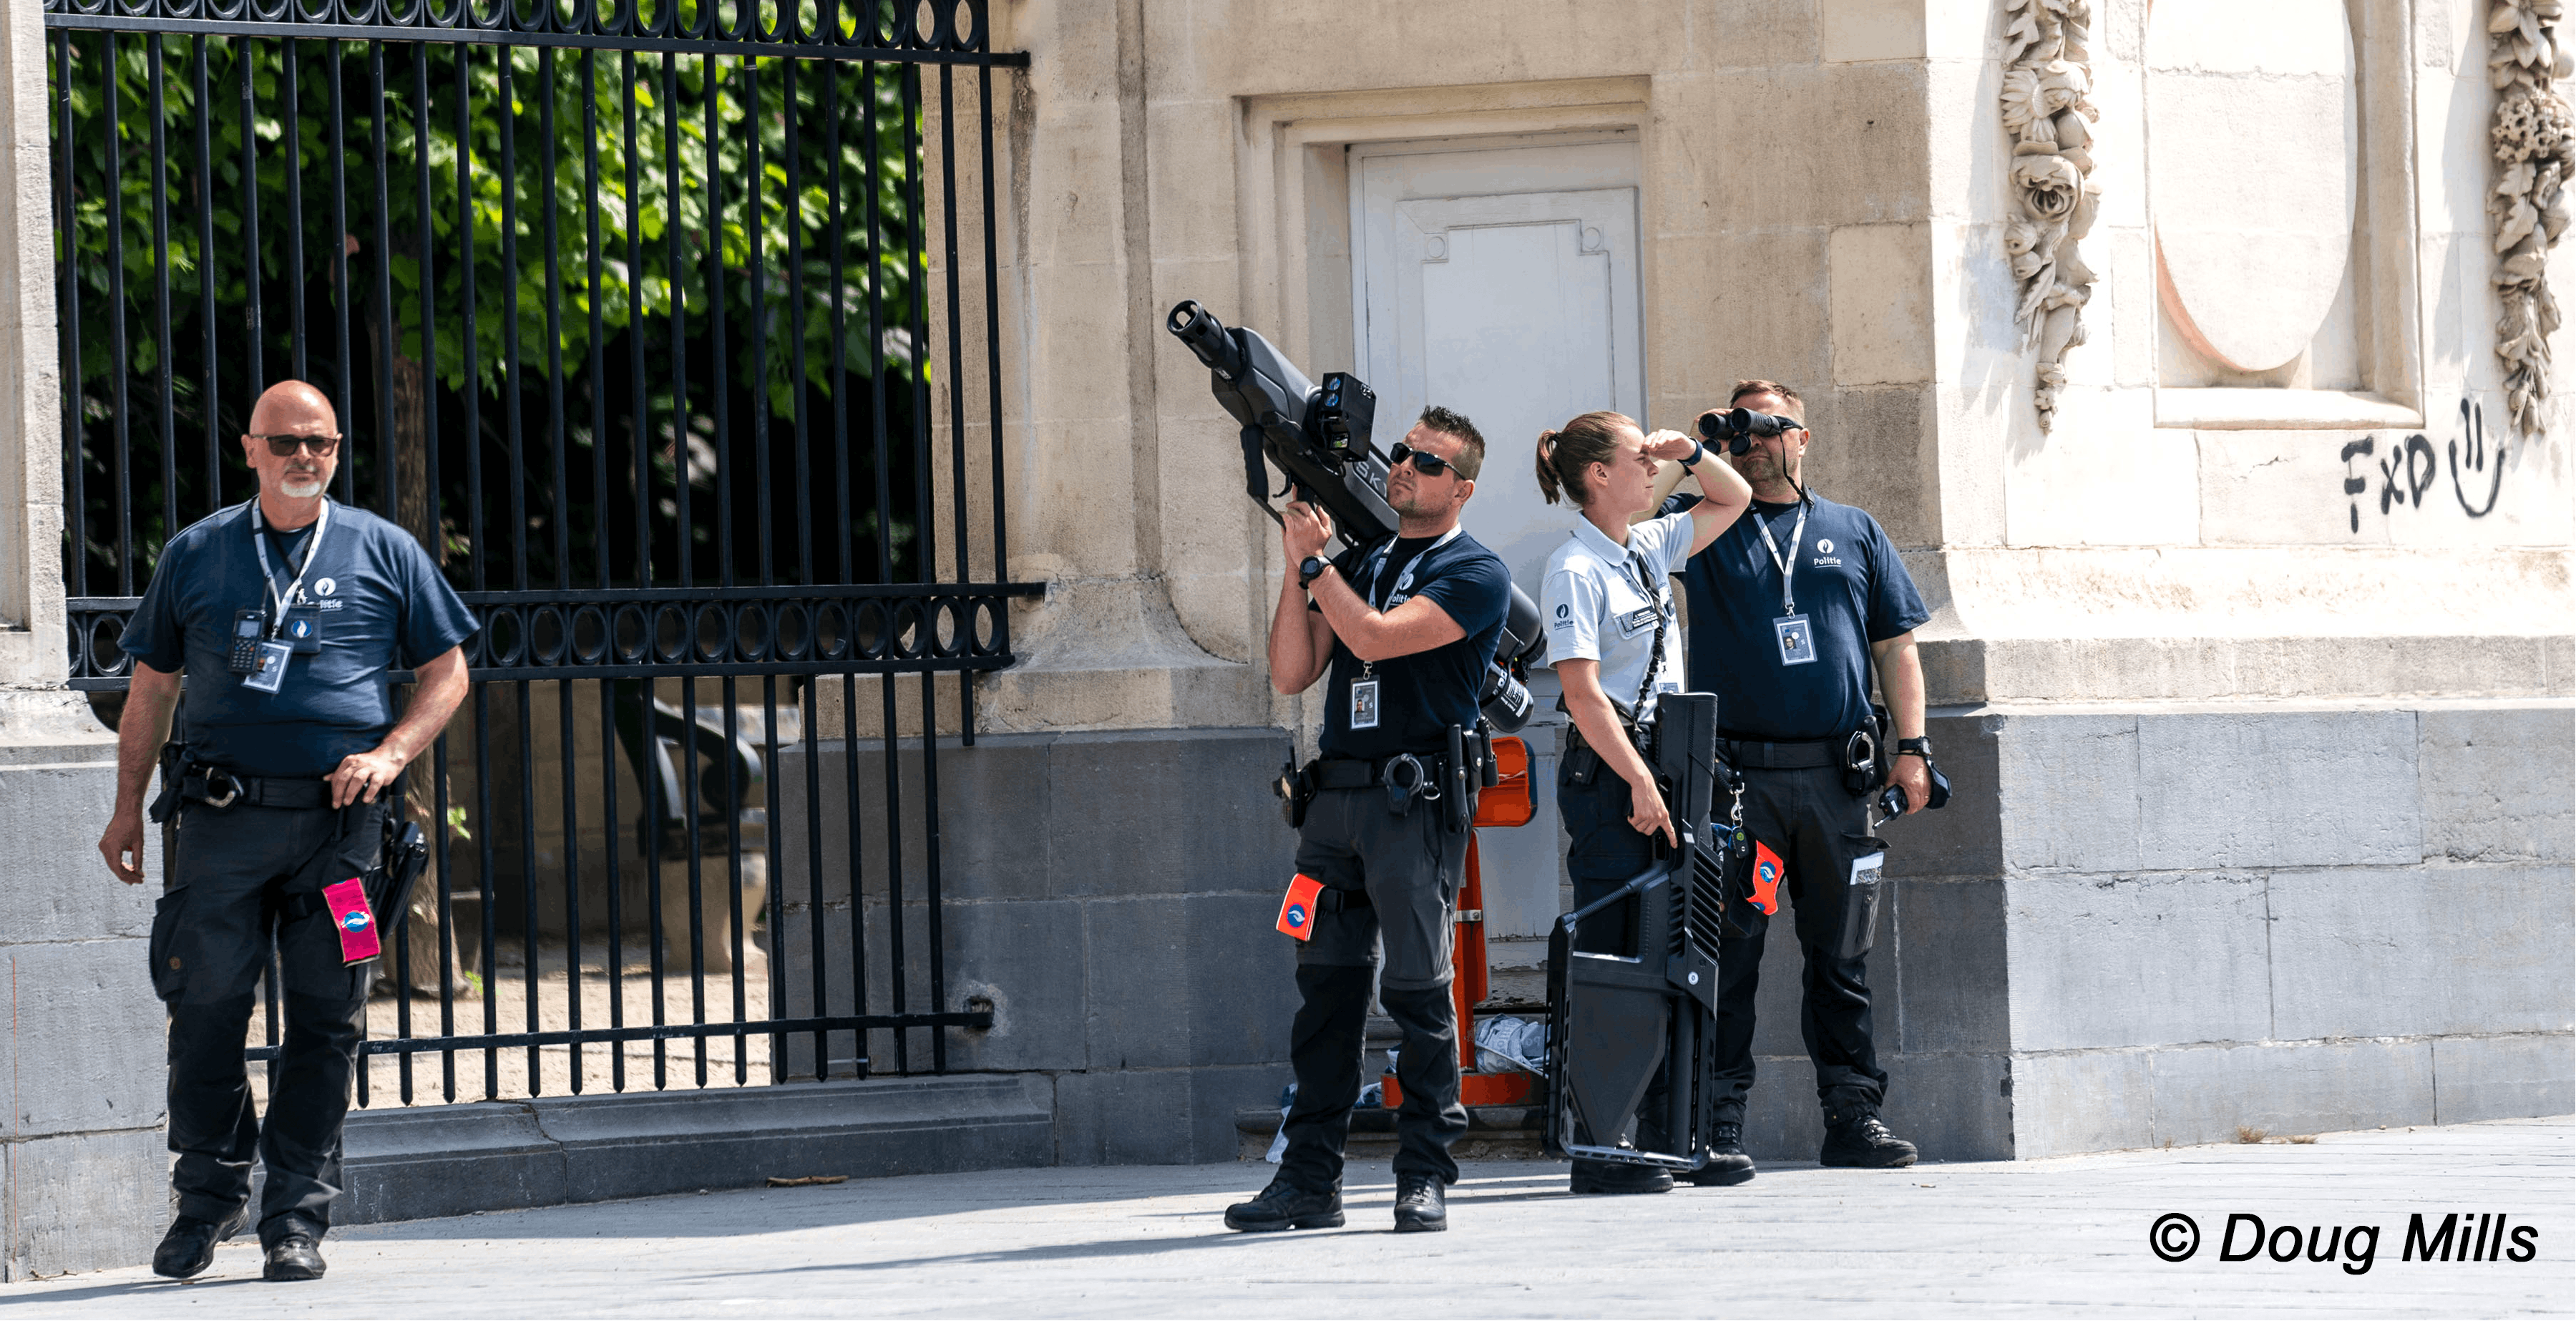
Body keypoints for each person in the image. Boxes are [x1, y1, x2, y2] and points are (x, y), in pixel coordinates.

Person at [97, 380, 477, 1282]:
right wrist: (125, 805)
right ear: (250, 448)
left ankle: (295, 1216)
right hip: (221, 823)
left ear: (337, 451)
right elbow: (151, 687)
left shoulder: (384, 550)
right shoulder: (199, 552)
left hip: (343, 833)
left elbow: (449, 671)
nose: (306, 456)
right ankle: (209, 1194)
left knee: (326, 1019)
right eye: (288, 441)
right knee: (203, 1012)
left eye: (323, 442)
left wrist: (391, 754)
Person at [1225, 406, 1512, 1236]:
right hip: (1336, 805)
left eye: (1427, 462)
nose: (1404, 468)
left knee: (1420, 995)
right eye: (1403, 454)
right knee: (1326, 995)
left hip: (1411, 805)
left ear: (1459, 488)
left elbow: (1380, 640)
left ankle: (1424, 1174)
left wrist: (1316, 566)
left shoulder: (1475, 571)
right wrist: (1295, 568)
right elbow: (1291, 671)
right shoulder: (1358, 562)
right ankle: (1309, 1181)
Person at [1664, 379, 1933, 1179]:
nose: (1750, 438)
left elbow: (1895, 646)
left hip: (1835, 779)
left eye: (1765, 425)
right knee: (1731, 952)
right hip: (1740, 780)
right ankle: (1717, 1122)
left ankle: (1854, 1116)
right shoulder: (1703, 526)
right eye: (1737, 427)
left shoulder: (1855, 530)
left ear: (1803, 436)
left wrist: (1913, 746)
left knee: (1841, 955)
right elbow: (1630, 527)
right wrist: (1697, 454)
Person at [1532, 410, 1752, 1194]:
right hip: (1615, 771)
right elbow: (1584, 695)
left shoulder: (1648, 544)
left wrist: (1690, 452)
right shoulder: (1575, 568)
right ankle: (1602, 1144)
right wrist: (1638, 781)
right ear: (1597, 476)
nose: (1651, 467)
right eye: (1637, 456)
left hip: (1670, 762)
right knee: (1616, 949)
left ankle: (1673, 1133)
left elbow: (1732, 501)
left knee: (1677, 953)